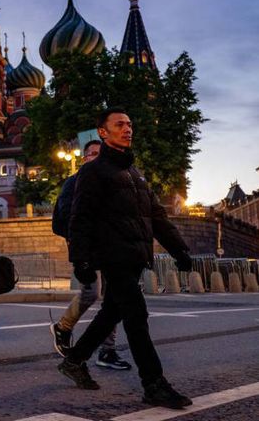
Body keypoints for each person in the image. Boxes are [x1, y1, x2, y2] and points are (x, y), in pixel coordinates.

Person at [58, 107, 194, 409]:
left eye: (130, 124)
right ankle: (153, 383)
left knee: (111, 313)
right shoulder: (93, 172)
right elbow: (80, 218)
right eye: (120, 124)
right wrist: (80, 260)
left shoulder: (135, 174)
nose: (127, 129)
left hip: (135, 257)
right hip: (113, 256)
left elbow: (156, 216)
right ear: (103, 132)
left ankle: (75, 359)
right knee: (136, 315)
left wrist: (179, 249)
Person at [50, 140, 132, 371]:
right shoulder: (74, 182)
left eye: (100, 154)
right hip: (87, 247)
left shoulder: (111, 181)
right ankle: (63, 327)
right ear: (84, 158)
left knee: (112, 298)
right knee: (92, 291)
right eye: (92, 154)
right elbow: (67, 215)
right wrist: (78, 244)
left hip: (110, 246)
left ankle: (107, 350)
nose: (96, 157)